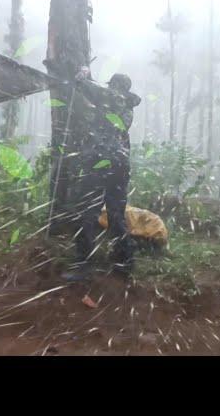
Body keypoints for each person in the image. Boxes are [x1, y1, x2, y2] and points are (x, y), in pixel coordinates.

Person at [62, 71, 141, 282]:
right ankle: (126, 262)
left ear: (114, 86)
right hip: (120, 165)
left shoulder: (112, 97)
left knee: (86, 211)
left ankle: (84, 267)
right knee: (116, 215)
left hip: (100, 162)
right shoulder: (127, 105)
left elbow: (86, 85)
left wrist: (82, 75)